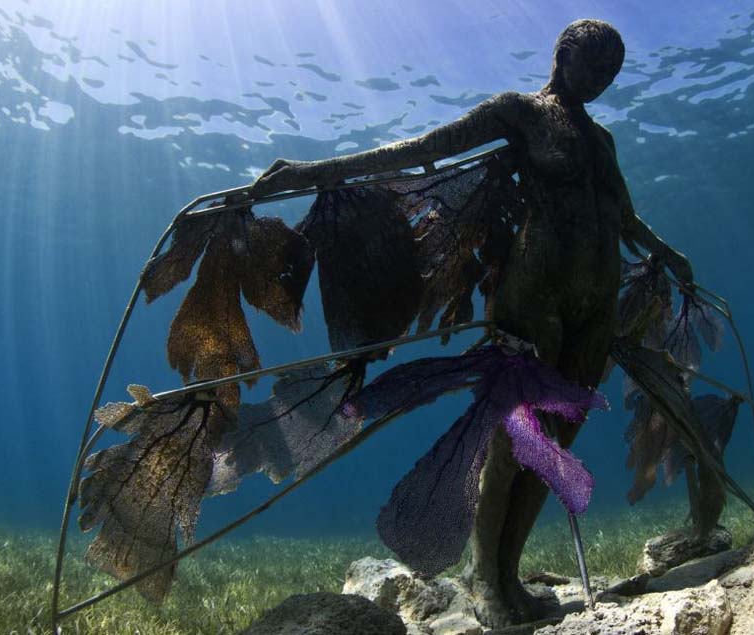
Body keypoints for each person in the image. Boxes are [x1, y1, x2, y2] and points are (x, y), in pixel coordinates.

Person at [251, 18, 694, 627]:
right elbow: (424, 150)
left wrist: (668, 254)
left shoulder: (604, 141)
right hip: (535, 294)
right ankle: (485, 578)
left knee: (556, 445)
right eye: (591, 66)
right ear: (562, 56)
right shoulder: (521, 112)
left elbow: (625, 218)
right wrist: (310, 172)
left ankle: (510, 572)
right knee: (519, 438)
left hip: (596, 302)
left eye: (610, 73)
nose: (599, 82)